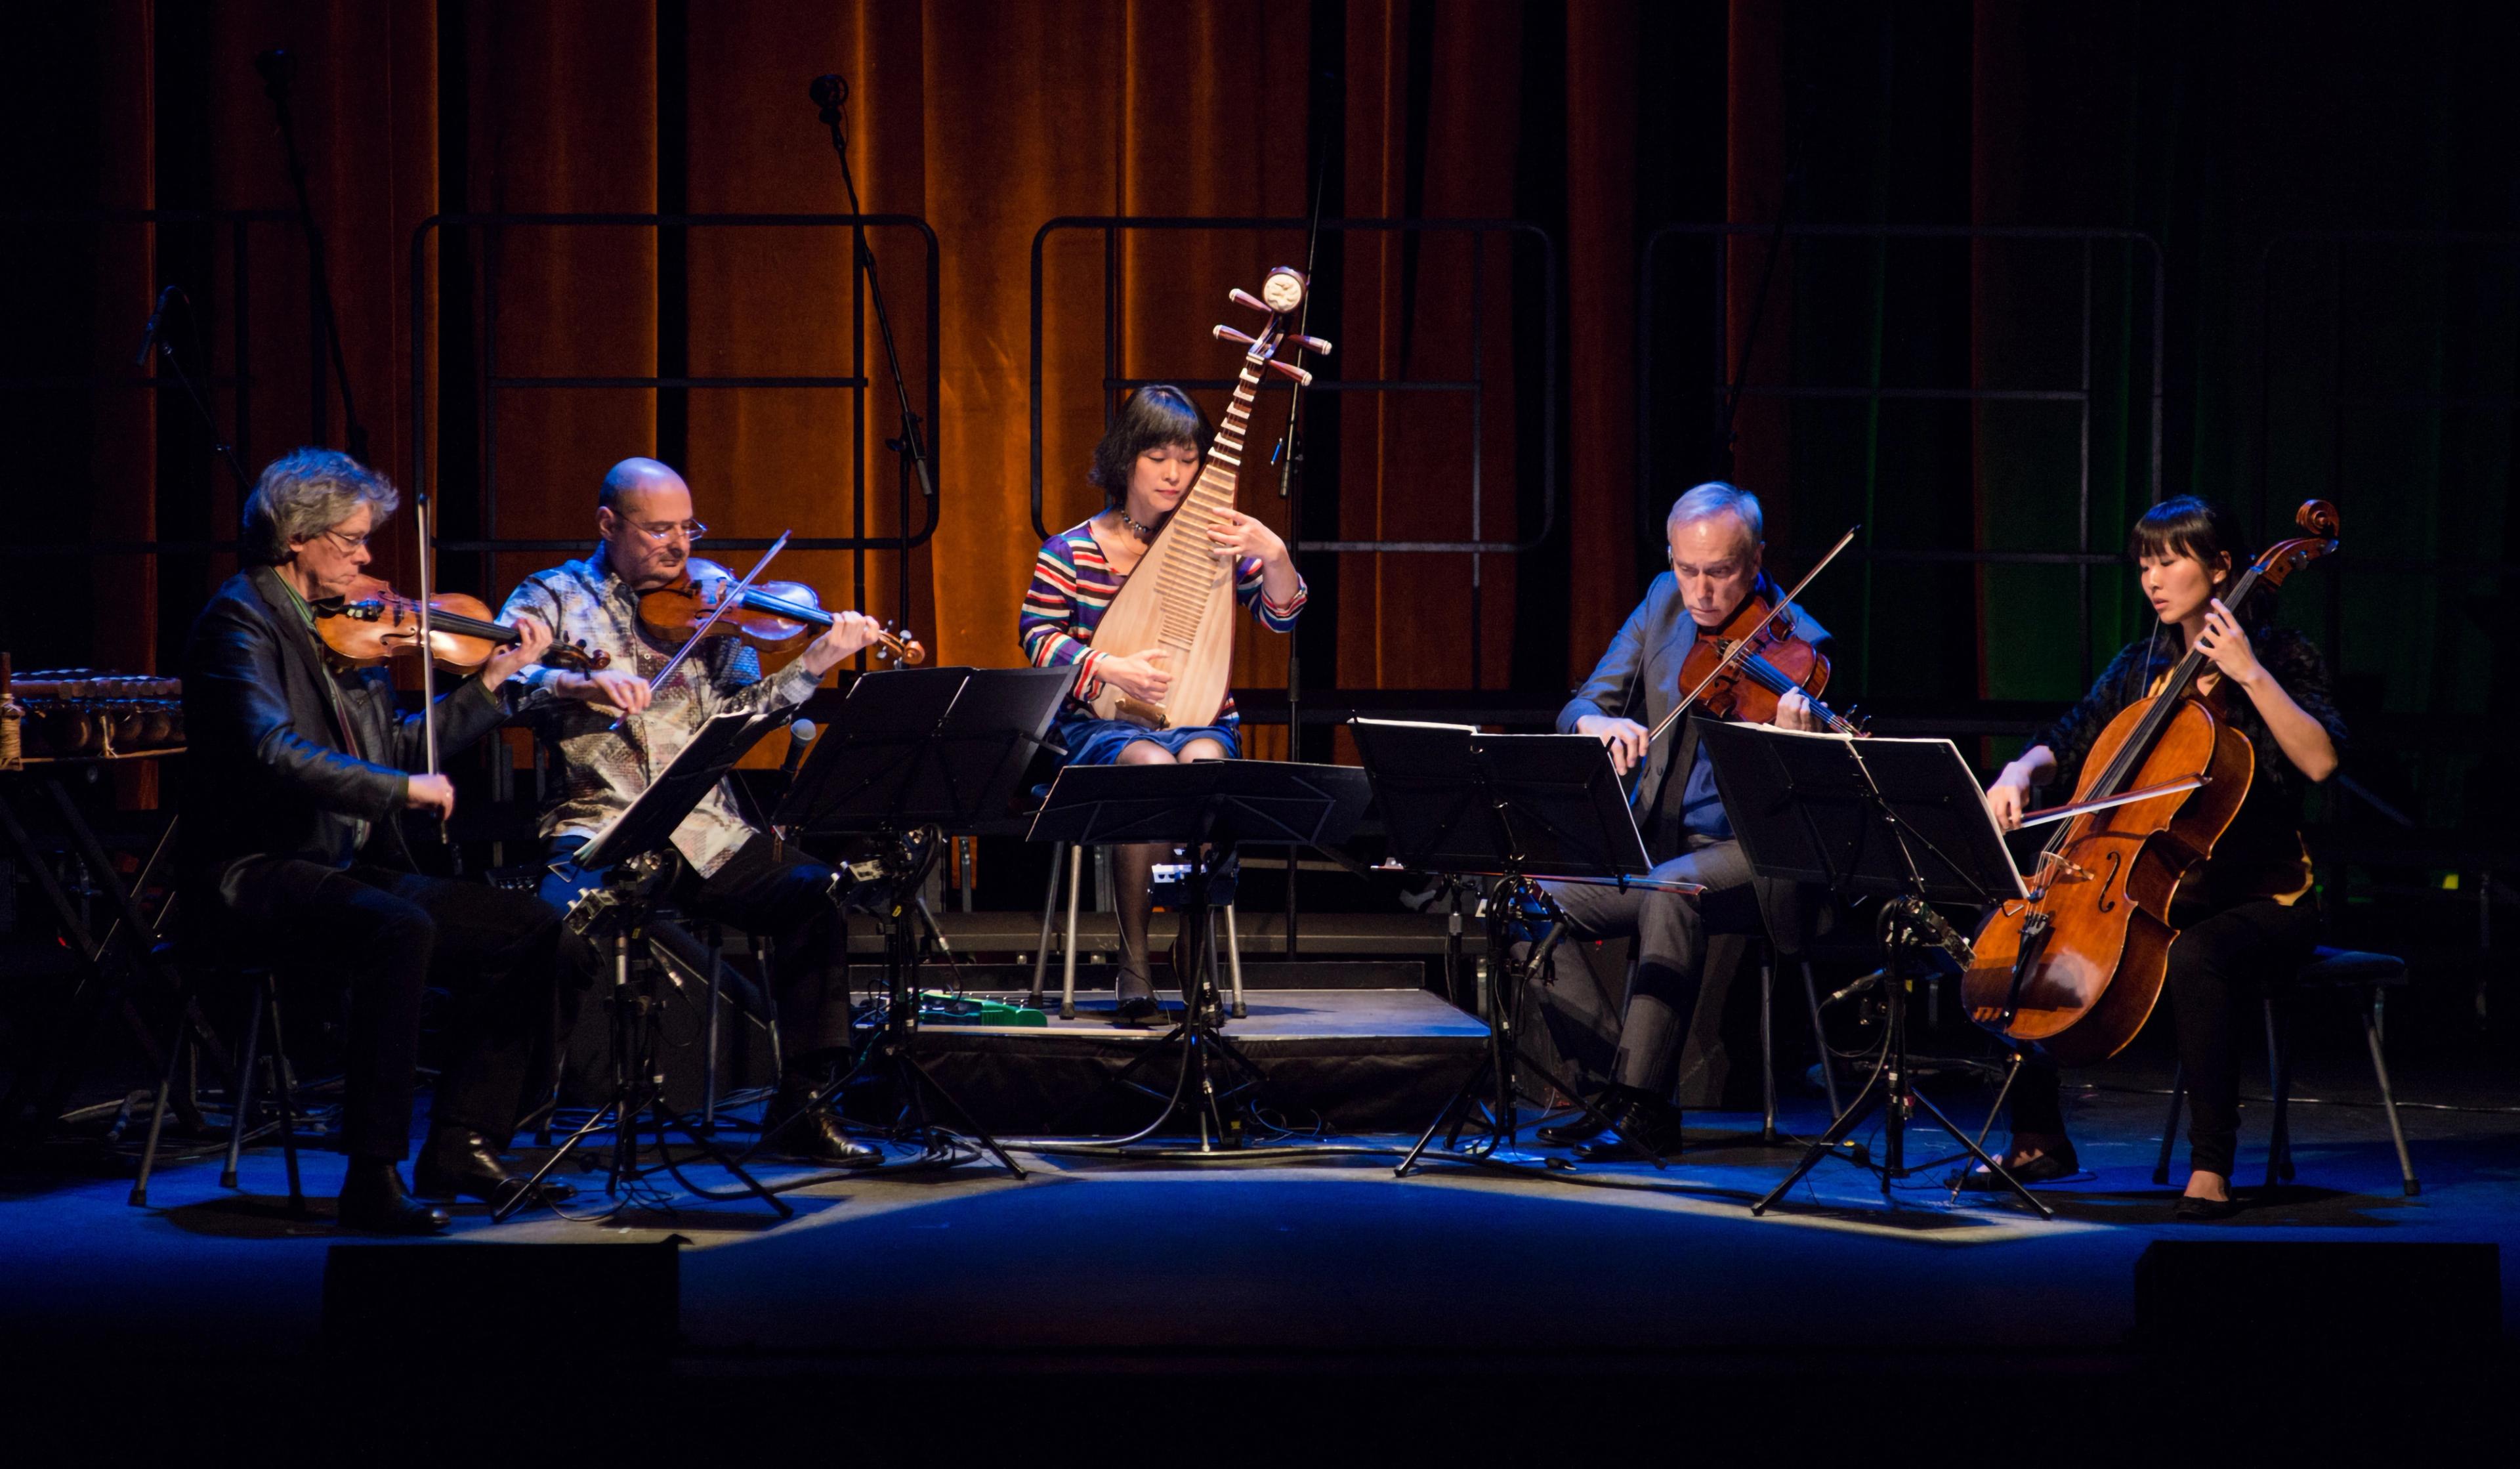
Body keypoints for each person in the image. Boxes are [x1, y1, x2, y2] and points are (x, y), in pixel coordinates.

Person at [182, 448, 591, 1233]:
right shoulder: (241, 620)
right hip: (257, 870)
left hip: (342, 863)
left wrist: (492, 687)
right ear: (296, 538)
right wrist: (403, 793)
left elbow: (399, 752)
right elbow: (274, 752)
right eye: (351, 539)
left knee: (536, 931)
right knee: (400, 927)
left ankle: (466, 1141)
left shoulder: (354, 629)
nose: (368, 557)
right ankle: (372, 1174)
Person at [498, 457, 888, 1167]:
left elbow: (744, 713)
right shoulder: (554, 595)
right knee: (548, 931)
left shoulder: (715, 607)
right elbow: (504, 678)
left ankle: (802, 1106)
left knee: (814, 899)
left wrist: (813, 665)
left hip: (707, 830)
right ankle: (515, 1118)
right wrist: (576, 685)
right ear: (608, 524)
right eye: (658, 531)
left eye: (687, 527)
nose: (679, 547)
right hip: (599, 822)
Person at [1973, 496, 2345, 1220]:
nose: (2153, 578)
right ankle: (2038, 1137)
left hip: (2262, 895)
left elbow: (2322, 761)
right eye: (2145, 562)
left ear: (2222, 568)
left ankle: (2211, 1167)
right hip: (2164, 882)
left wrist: (2248, 675)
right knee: (2018, 926)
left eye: (2170, 560)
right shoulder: (2140, 664)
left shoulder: (2281, 655)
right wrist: (2019, 772)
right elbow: (2072, 736)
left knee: (2195, 957)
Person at [1543, 482, 1826, 1160]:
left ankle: (1641, 1108)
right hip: (1654, 842)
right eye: (1686, 567)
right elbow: (1577, 705)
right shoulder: (1660, 601)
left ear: (1755, 560)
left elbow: (1800, 806)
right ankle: (1613, 1081)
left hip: (1753, 855)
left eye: (1720, 573)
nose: (1699, 591)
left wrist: (1794, 741)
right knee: (1528, 900)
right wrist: (1599, 723)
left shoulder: (1802, 646)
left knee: (1670, 893)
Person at [1017, 385, 1306, 1024]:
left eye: (1188, 457)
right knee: (1150, 765)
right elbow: (1037, 637)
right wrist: (1107, 665)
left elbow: (1282, 614)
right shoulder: (1070, 551)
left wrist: (1276, 555)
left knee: (1205, 762)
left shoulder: (1215, 547)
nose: (1175, 474)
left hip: (1200, 720)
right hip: (1103, 732)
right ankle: (1134, 963)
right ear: (1126, 460)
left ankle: (1194, 944)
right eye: (1158, 457)